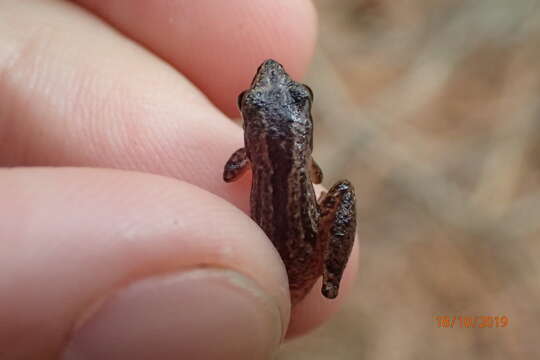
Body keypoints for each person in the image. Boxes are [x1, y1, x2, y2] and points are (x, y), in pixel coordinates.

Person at [0, 1, 358, 358]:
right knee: (340, 192)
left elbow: (229, 174)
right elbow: (316, 175)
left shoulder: (254, 157)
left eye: (300, 97)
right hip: (301, 261)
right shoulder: (298, 157)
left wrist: (252, 153)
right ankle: (330, 278)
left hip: (270, 260)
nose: (272, 72)